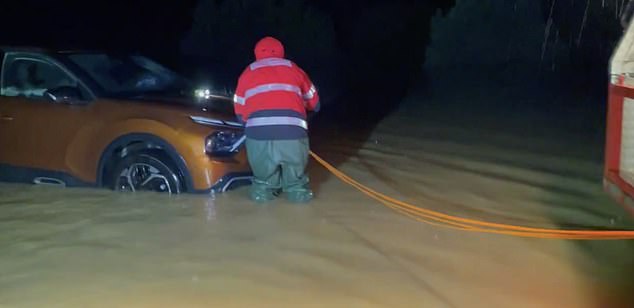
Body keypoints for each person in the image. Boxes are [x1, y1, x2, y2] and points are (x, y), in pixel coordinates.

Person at [233, 36, 320, 204]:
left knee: (262, 187)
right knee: (297, 187)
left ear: (257, 53)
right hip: (293, 135)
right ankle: (302, 214)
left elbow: (239, 112)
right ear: (281, 52)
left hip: (258, 137)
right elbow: (315, 103)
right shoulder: (293, 68)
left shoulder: (247, 72)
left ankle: (262, 218)